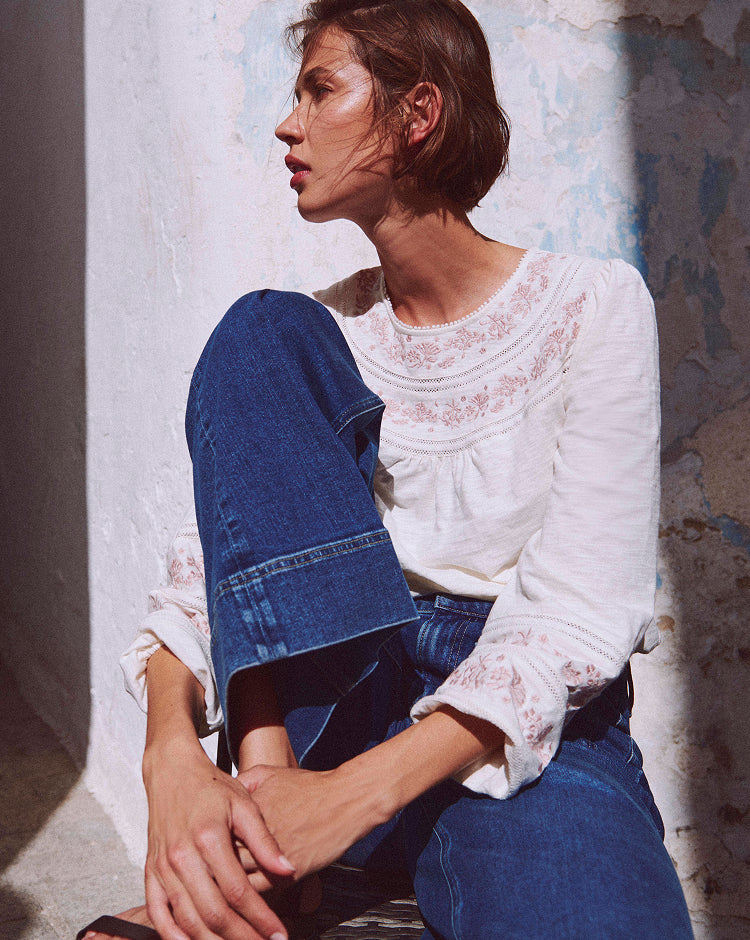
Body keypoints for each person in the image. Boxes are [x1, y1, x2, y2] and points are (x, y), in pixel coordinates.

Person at [80, 1, 694, 938]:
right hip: (341, 701)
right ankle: (287, 829)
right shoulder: (308, 344)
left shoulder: (593, 305)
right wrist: (172, 756)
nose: (287, 124)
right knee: (261, 327)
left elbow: (583, 606)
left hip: (527, 727)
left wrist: (351, 801)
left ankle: (339, 864)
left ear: (418, 114)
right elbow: (218, 570)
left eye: (320, 89)